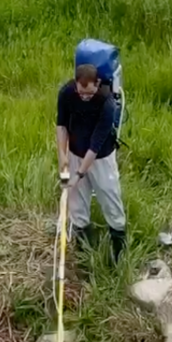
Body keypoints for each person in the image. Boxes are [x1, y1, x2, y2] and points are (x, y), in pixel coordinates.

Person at [56, 63, 127, 264]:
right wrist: (62, 155)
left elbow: (95, 145)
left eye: (89, 93)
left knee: (108, 194)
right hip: (75, 151)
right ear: (76, 84)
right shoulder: (67, 93)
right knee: (77, 202)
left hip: (101, 157)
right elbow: (61, 125)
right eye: (81, 93)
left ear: (97, 84)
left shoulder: (107, 103)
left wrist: (78, 175)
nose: (85, 97)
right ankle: (85, 251)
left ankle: (118, 252)